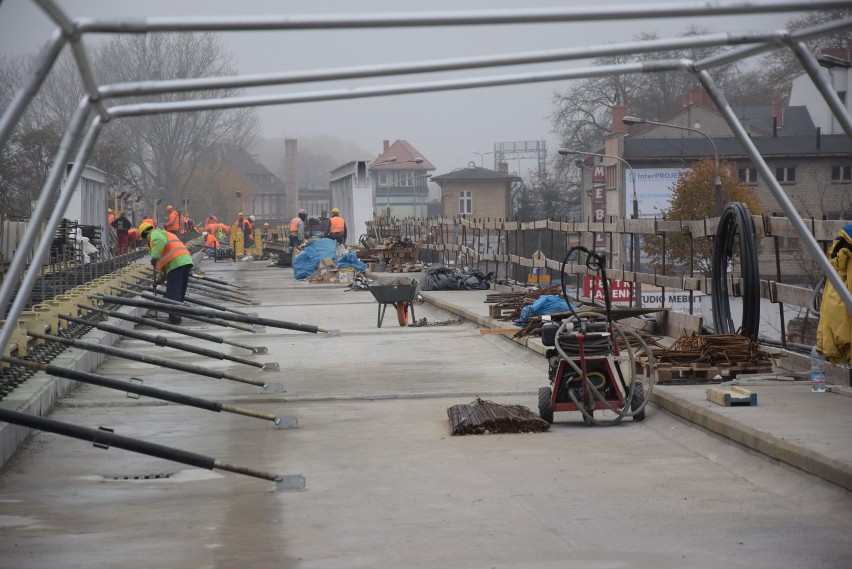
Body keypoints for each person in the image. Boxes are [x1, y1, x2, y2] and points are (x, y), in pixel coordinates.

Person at [138, 221, 193, 325]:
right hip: (184, 261)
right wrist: (157, 281)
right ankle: (177, 314)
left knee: (173, 291)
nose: (145, 242)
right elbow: (164, 269)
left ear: (144, 234)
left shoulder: (155, 234)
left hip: (176, 262)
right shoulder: (164, 233)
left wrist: (154, 257)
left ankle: (175, 318)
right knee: (179, 291)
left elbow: (160, 241)